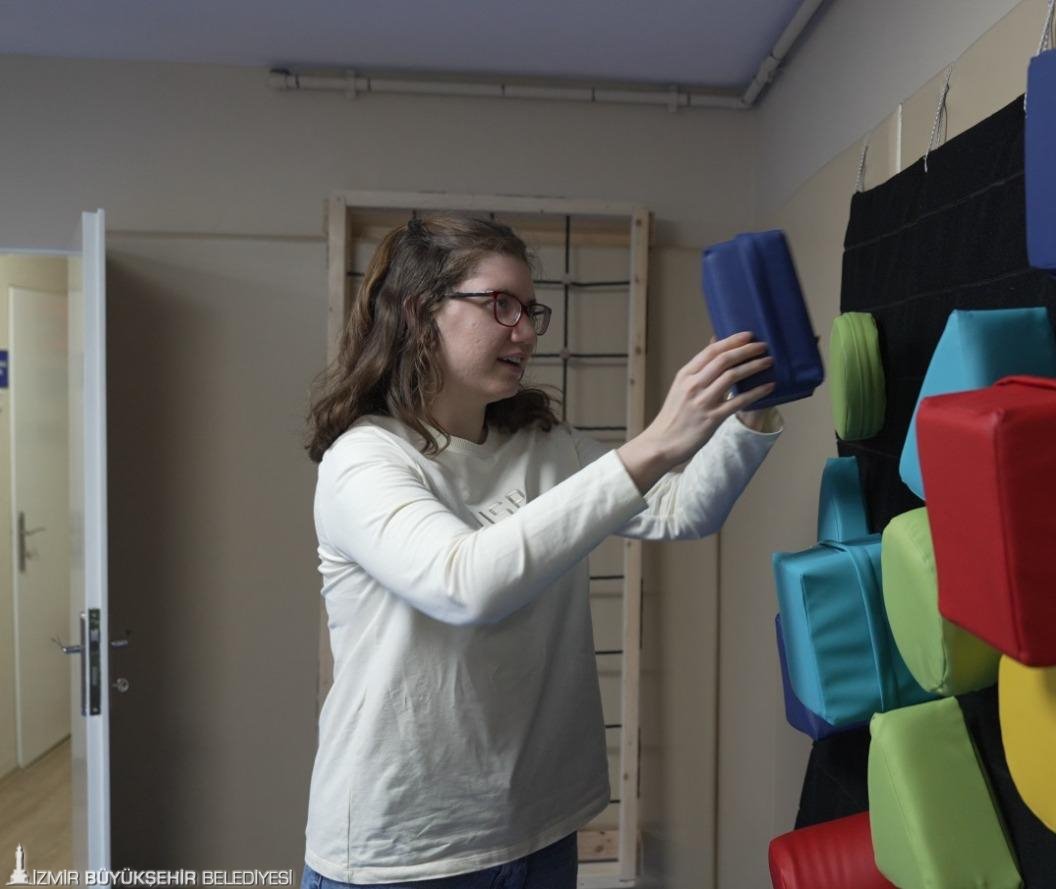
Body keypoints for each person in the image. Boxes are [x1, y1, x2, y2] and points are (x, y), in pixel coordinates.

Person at [300, 215, 783, 888]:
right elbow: (464, 584)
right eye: (501, 304)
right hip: (405, 848)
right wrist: (653, 444)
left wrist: (752, 404)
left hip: (540, 828)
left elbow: (683, 508)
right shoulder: (365, 459)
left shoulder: (545, 446)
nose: (525, 331)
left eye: (530, 310)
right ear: (418, 313)